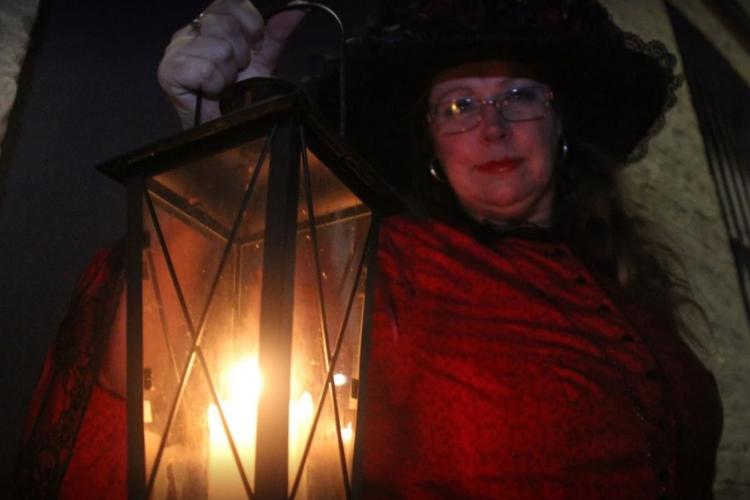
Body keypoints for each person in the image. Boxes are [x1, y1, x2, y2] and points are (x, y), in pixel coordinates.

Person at [15, 0, 722, 498]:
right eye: (457, 105)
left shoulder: (629, 287)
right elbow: (160, 370)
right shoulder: (385, 264)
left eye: (519, 95)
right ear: (431, 146)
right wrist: (215, 142)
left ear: (560, 122)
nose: (492, 126)